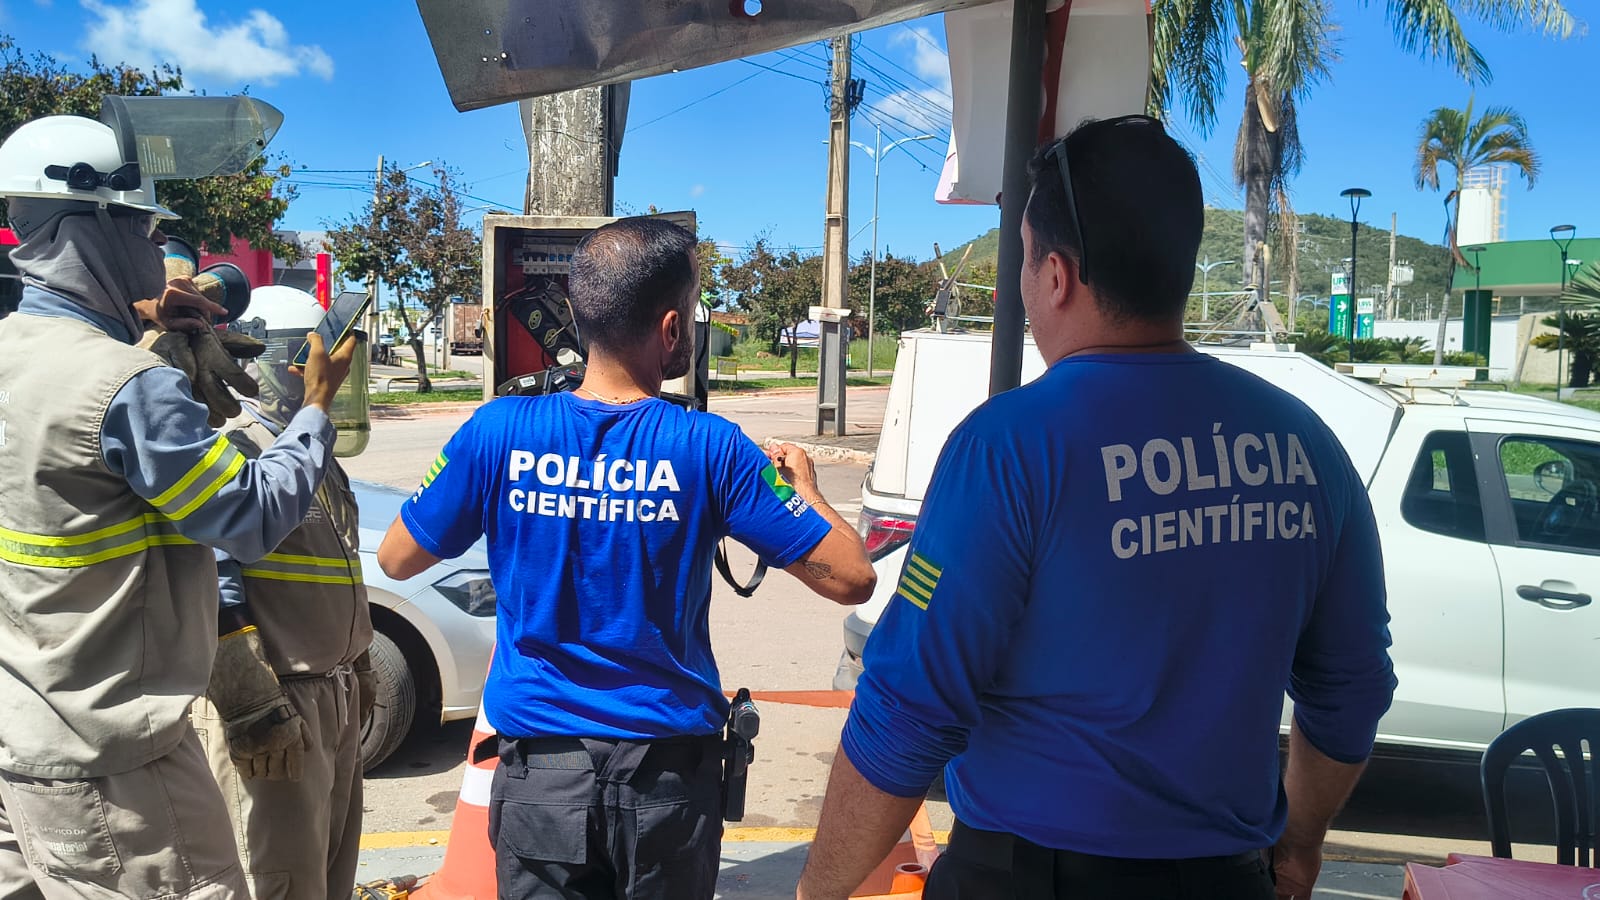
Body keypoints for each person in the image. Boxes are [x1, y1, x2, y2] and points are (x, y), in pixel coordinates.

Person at [797, 117, 1397, 900]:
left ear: (1056, 275)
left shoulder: (1009, 447)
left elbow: (909, 710)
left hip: (1032, 881)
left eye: (1021, 259)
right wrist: (1301, 843)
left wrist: (817, 891)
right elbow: (1350, 687)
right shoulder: (1306, 445)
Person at [376, 217, 876, 900]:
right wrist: (808, 491)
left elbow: (398, 557)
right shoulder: (712, 448)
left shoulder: (496, 430)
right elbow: (852, 576)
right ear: (671, 330)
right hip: (666, 780)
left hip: (540, 778)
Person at [0, 113, 355, 899]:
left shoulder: (18, 353)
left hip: (28, 738)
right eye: (143, 229)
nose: (157, 255)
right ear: (92, 228)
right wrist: (317, 415)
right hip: (120, 766)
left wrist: (141, 336)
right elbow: (251, 519)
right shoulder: (124, 386)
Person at [189, 285, 375, 900]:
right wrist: (248, 702)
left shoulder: (307, 444)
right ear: (285, 361)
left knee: (328, 875)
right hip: (277, 705)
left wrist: (360, 658)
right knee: (277, 880)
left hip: (333, 696)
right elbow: (213, 580)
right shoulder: (234, 442)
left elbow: (337, 561)